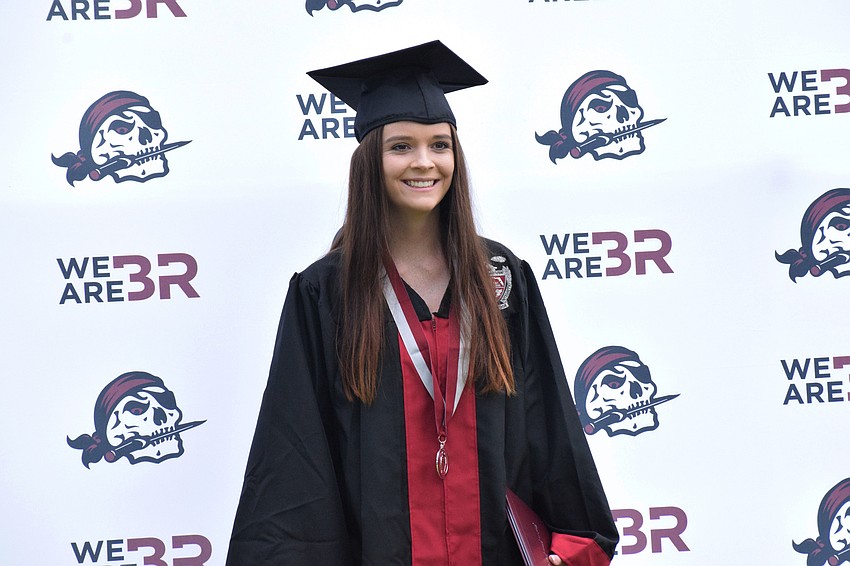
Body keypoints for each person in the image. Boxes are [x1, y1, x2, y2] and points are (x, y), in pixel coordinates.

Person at [225, 40, 618, 566]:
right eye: (401, 146)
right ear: (369, 160)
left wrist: (568, 546)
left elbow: (547, 421)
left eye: (440, 144)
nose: (424, 163)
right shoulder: (326, 293)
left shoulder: (500, 280)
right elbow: (296, 456)